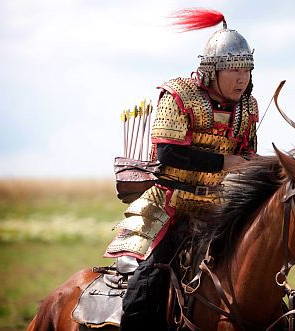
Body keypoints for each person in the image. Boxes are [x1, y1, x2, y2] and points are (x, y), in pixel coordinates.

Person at [103, 9, 259, 330]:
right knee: (144, 294)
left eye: (246, 69)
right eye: (234, 70)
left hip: (217, 210)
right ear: (211, 70)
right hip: (168, 207)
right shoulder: (178, 95)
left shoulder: (248, 107)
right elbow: (168, 153)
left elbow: (247, 156)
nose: (242, 78)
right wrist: (224, 163)